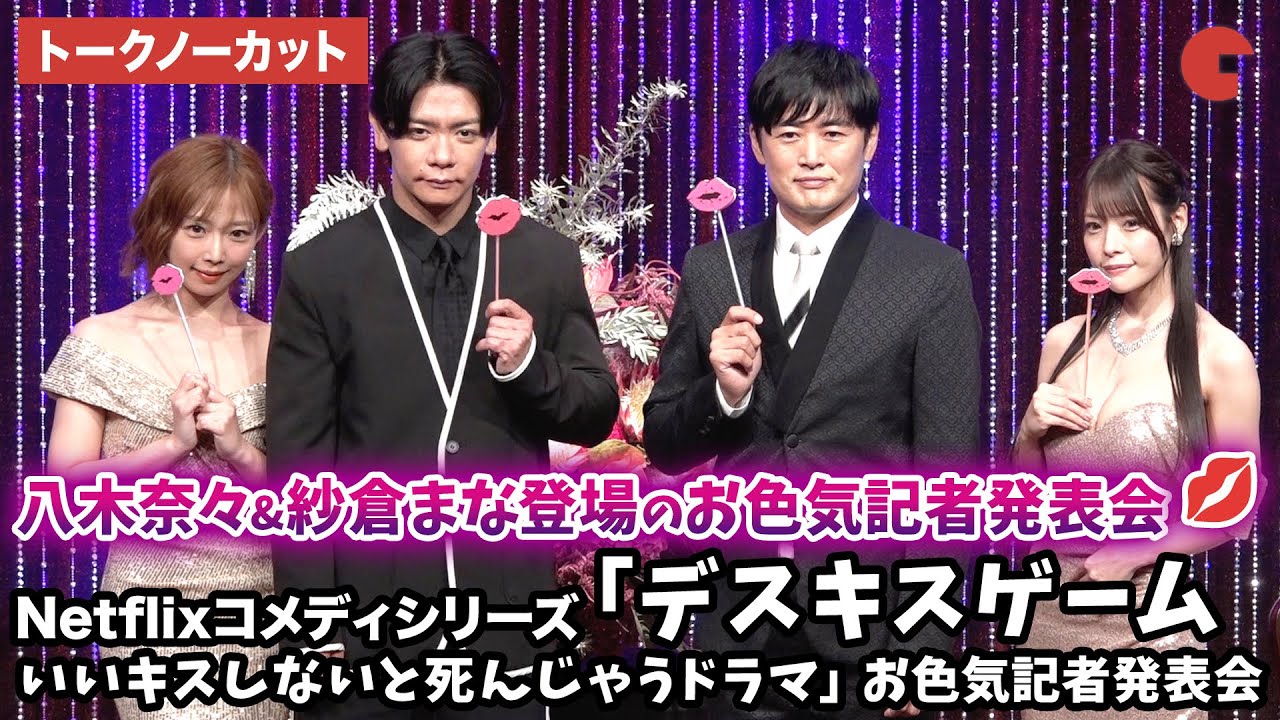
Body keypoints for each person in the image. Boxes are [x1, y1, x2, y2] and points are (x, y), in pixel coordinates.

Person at [267, 29, 618, 719]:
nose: (442, 156)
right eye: (420, 131)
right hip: (370, 618)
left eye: (464, 133)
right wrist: (311, 616)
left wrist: (529, 365)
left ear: (491, 137)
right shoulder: (324, 268)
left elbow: (593, 411)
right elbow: (300, 456)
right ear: (380, 131)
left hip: (508, 615)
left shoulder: (541, 258)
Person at [643, 40, 982, 719]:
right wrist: (724, 394)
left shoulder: (929, 274)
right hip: (736, 623)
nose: (811, 156)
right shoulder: (712, 268)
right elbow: (665, 445)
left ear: (870, 142)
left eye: (833, 133)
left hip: (867, 630)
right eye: (790, 134)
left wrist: (923, 648)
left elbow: (951, 475)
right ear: (758, 144)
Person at [1011, 139, 1263, 720]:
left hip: (1149, 638)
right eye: (1094, 226)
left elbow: (1238, 504)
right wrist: (1028, 433)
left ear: (1176, 222)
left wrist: (1137, 553)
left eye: (1131, 223)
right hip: (1046, 632)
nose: (1109, 246)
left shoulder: (1218, 355)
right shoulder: (1062, 342)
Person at [42, 134, 282, 719]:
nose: (216, 252)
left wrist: (240, 451)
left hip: (265, 611)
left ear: (258, 238)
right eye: (197, 228)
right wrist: (172, 445)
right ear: (162, 224)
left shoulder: (279, 347)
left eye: (238, 233)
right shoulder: (101, 339)